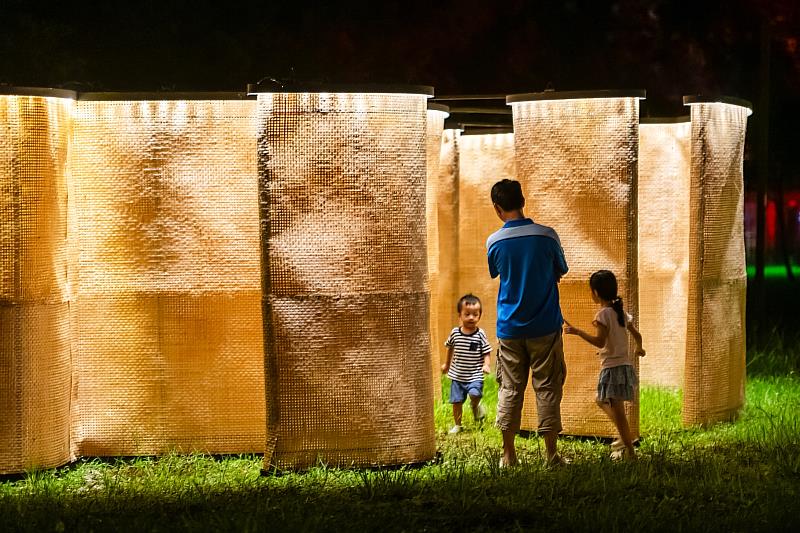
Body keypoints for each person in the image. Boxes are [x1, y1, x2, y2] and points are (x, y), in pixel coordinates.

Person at [487, 179, 569, 467]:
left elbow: (496, 271)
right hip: (545, 326)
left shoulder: (494, 241)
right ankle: (551, 455)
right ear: (523, 200)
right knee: (547, 386)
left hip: (509, 327)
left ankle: (508, 455)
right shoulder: (548, 235)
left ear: (497, 208)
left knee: (510, 387)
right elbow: (562, 269)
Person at [563, 270, 645, 461]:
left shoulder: (603, 315)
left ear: (596, 293)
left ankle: (630, 450)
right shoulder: (621, 313)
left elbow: (600, 342)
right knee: (602, 401)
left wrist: (577, 331)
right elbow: (637, 335)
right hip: (624, 366)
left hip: (612, 368)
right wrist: (639, 349)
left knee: (615, 410)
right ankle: (624, 436)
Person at [441, 294, 492, 434]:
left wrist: (486, 364)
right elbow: (450, 348)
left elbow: (486, 351)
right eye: (467, 314)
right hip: (457, 375)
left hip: (475, 374)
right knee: (456, 401)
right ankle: (458, 425)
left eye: (475, 314)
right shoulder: (455, 333)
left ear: (479, 316)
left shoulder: (480, 334)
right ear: (460, 315)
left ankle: (475, 406)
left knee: (475, 394)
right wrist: (446, 365)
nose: (471, 317)